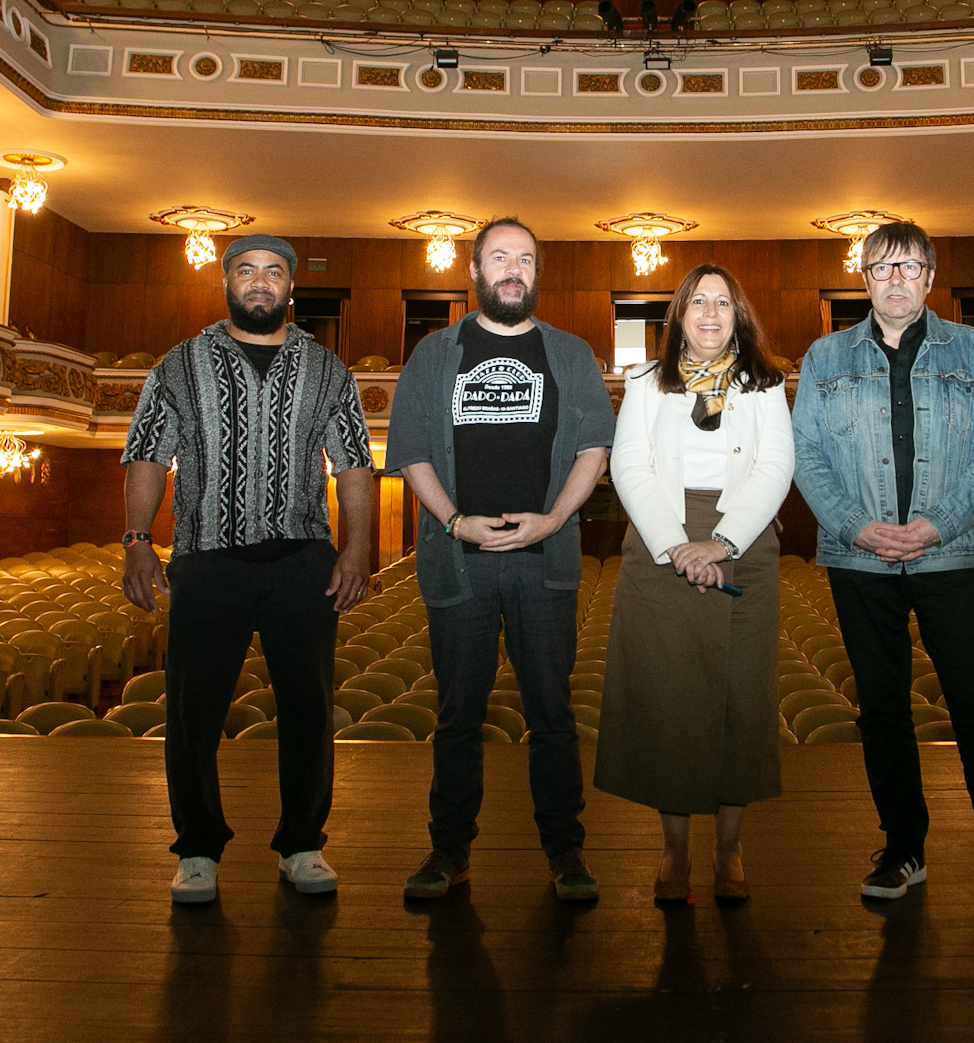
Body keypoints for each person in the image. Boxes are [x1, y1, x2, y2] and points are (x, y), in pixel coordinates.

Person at [790, 221, 974, 918]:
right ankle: (902, 849)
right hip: (860, 557)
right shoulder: (826, 357)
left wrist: (937, 523)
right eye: (882, 267)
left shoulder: (972, 348)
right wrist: (855, 525)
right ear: (863, 279)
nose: (896, 279)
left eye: (909, 266)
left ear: (930, 277)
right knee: (882, 709)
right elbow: (806, 453)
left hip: (949, 554)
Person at [121, 234, 377, 905]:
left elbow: (354, 463)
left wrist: (356, 548)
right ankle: (197, 850)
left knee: (308, 711)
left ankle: (302, 845)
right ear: (227, 283)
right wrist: (138, 539)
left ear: (290, 288)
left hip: (302, 560)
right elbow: (147, 454)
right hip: (206, 561)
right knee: (192, 713)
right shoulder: (178, 365)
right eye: (245, 271)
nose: (259, 282)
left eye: (272, 272)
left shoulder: (328, 369)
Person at [385, 217, 616, 903]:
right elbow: (411, 452)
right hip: (460, 563)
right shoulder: (434, 353)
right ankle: (449, 850)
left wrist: (554, 518)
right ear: (475, 271)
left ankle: (565, 852)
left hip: (545, 561)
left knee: (552, 715)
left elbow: (594, 450)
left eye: (525, 259)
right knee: (458, 716)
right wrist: (456, 522)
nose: (513, 269)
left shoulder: (570, 353)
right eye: (499, 257)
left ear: (536, 273)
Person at [597, 264, 794, 904]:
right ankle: (674, 852)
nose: (710, 313)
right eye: (698, 302)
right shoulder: (644, 382)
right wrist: (676, 544)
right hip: (662, 545)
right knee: (670, 705)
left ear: (739, 316)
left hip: (745, 540)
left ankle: (729, 851)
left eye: (723, 303)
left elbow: (776, 466)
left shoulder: (766, 383)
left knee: (742, 702)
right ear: (679, 316)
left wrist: (722, 542)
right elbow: (629, 465)